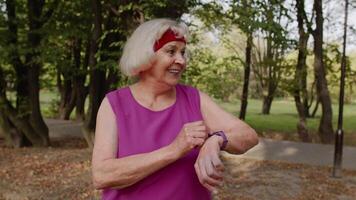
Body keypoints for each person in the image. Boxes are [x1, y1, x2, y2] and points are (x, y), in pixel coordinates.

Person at [91, 18, 258, 200]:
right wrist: (174, 150)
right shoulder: (115, 104)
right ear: (146, 56)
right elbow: (102, 175)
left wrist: (216, 140)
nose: (181, 60)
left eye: (183, 52)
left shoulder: (193, 98)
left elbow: (248, 136)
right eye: (171, 51)